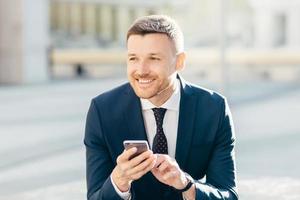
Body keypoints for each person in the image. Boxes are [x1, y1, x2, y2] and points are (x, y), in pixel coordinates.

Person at [84, 15, 238, 200]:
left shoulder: (214, 109)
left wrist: (186, 185)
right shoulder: (102, 111)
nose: (141, 70)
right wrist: (119, 181)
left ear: (179, 61)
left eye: (154, 58)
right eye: (133, 58)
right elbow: (95, 196)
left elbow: (228, 195)